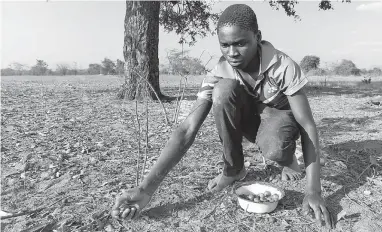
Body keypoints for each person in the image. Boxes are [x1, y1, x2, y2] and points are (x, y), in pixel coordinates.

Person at [111, 4, 334, 229]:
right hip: (253, 120)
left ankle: (288, 160)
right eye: (225, 45)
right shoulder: (219, 70)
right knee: (223, 90)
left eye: (240, 43)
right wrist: (145, 189)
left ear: (257, 37)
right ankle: (234, 169)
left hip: (280, 117)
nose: (232, 53)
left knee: (275, 148)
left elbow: (306, 124)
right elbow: (187, 129)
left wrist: (313, 191)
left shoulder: (282, 66)